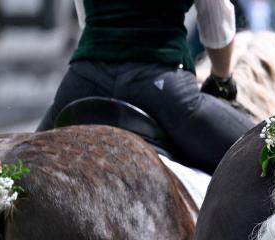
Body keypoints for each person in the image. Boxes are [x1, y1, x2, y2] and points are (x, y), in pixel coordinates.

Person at [37, 0, 254, 174]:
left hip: (85, 80)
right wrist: (220, 78)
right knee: (268, 149)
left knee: (16, 169)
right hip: (161, 85)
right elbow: (217, 20)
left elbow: (85, 16)